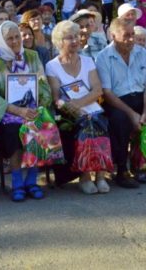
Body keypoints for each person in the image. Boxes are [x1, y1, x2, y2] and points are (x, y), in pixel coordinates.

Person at [96, 18, 146, 186]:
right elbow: (107, 93)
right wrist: (132, 114)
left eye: (132, 35)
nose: (131, 39)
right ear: (113, 36)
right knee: (119, 120)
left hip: (141, 98)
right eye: (126, 36)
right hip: (118, 101)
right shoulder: (103, 57)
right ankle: (122, 170)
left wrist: (145, 112)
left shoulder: (141, 52)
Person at [0, 21, 51, 202]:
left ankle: (32, 180)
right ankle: (17, 181)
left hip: (32, 108)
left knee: (39, 125)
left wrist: (38, 105)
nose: (15, 41)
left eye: (17, 37)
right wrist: (18, 110)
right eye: (9, 38)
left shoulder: (32, 56)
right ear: (1, 41)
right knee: (13, 131)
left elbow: (43, 86)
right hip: (6, 113)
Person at [45, 21, 110, 194]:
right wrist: (71, 108)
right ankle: (85, 176)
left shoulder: (88, 61)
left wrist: (79, 104)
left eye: (76, 37)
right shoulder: (52, 66)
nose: (74, 41)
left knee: (97, 119)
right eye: (69, 38)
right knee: (85, 124)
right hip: (67, 111)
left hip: (90, 105)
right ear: (59, 41)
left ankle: (101, 176)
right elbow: (55, 97)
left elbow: (97, 90)